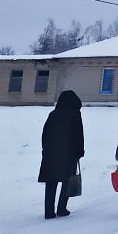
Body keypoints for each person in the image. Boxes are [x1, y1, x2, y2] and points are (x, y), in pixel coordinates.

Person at [39, 89, 84, 219]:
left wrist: (45, 149)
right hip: (68, 154)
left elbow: (45, 133)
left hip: (51, 153)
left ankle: (49, 211)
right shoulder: (75, 114)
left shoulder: (53, 114)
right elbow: (78, 135)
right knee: (67, 181)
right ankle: (61, 208)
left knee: (51, 182)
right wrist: (79, 152)